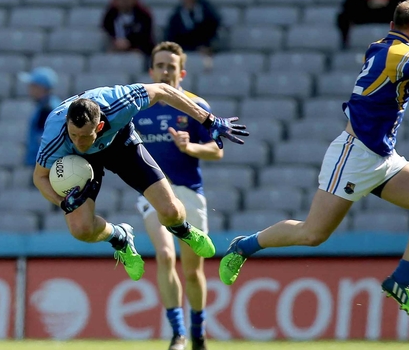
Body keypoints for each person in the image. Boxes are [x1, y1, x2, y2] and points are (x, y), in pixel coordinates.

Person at [218, 0, 409, 319]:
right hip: (354, 154)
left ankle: (401, 280)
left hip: (383, 158)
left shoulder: (379, 47)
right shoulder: (402, 54)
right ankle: (244, 246)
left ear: (392, 26)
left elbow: (386, 78)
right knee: (313, 234)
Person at [32, 83, 248, 282]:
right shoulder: (56, 135)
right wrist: (61, 202)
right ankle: (120, 238)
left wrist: (208, 120)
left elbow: (163, 90)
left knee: (171, 211)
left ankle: (183, 230)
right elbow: (39, 177)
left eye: (84, 136)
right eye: (73, 135)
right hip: (80, 162)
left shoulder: (120, 103)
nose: (78, 142)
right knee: (81, 229)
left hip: (120, 143)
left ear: (98, 127)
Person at [132, 42, 218, 350]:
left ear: (181, 72)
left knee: (193, 269)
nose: (165, 71)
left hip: (190, 192)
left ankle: (199, 335)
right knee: (165, 256)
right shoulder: (138, 107)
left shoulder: (194, 105)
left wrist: (190, 148)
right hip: (154, 192)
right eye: (160, 66)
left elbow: (217, 150)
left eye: (171, 67)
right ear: (151, 71)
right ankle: (177, 333)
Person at [19, 67, 61, 166]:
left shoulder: (48, 109)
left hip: (46, 166)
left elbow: (47, 141)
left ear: (41, 88)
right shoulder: (45, 106)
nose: (29, 89)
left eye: (32, 86)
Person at [337, 0, 408, 49]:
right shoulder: (353, 1)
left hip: (392, 13)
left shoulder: (403, 1)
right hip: (363, 12)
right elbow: (346, 14)